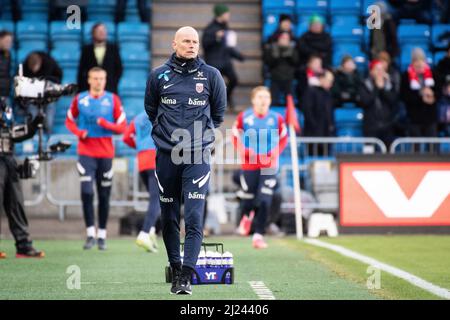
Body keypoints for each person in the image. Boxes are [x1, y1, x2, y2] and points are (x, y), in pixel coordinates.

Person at [145, 26, 226, 295]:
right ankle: (175, 266)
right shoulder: (157, 76)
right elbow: (151, 109)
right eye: (186, 41)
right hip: (166, 156)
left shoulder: (212, 76)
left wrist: (197, 139)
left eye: (195, 41)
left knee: (193, 217)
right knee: (169, 217)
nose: (192, 45)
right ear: (174, 44)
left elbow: (218, 114)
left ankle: (186, 276)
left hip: (197, 155)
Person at [66, 67, 127, 250]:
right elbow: (69, 120)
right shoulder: (80, 99)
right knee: (86, 192)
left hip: (106, 154)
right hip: (86, 153)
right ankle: (90, 233)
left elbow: (123, 126)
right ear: (89, 80)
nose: (99, 81)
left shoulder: (113, 100)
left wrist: (105, 123)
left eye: (102, 78)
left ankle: (102, 234)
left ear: (106, 80)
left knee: (104, 195)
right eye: (95, 78)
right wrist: (78, 132)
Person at [231, 86, 288, 249]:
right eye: (260, 97)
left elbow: (284, 138)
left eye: (267, 97)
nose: (263, 101)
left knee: (265, 199)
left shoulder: (276, 118)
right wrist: (244, 151)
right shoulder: (245, 117)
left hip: (269, 165)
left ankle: (258, 235)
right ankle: (246, 218)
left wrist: (274, 152)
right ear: (253, 100)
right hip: (249, 164)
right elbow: (235, 135)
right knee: (249, 199)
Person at [0, 98, 44, 259]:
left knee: (16, 202)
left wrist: (32, 127)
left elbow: (13, 133)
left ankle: (24, 245)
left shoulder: (5, 106)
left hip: (8, 157)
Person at [123, 111, 160, 253]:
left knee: (154, 198)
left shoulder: (138, 116)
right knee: (157, 199)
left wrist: (139, 145)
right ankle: (144, 233)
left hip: (142, 159)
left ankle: (151, 231)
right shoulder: (164, 112)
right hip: (156, 158)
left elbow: (127, 137)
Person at [202, 4, 244, 111]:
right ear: (220, 14)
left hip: (226, 61)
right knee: (215, 85)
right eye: (226, 13)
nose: (228, 15)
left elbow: (229, 46)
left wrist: (239, 56)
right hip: (214, 62)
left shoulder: (226, 27)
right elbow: (205, 45)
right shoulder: (210, 29)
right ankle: (215, 105)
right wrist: (216, 37)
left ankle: (227, 97)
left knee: (234, 80)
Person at [359, 60, 397, 147]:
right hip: (370, 125)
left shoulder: (390, 84)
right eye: (377, 69)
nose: (380, 72)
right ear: (371, 71)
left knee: (389, 154)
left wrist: (383, 89)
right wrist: (376, 88)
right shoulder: (364, 84)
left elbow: (393, 101)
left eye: (382, 69)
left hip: (387, 124)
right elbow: (366, 102)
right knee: (369, 153)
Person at [22, 52, 63, 134]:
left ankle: (48, 139)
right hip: (32, 95)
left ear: (40, 63)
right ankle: (32, 139)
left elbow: (59, 76)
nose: (34, 72)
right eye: (32, 70)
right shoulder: (25, 65)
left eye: (35, 69)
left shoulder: (49, 63)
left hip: (49, 94)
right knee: (32, 119)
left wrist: (48, 80)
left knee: (48, 121)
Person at [400, 48, 437, 137]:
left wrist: (433, 96)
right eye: (416, 60)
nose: (419, 63)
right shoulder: (406, 76)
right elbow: (404, 96)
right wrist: (420, 94)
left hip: (430, 117)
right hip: (414, 118)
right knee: (415, 147)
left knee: (432, 145)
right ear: (412, 62)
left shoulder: (433, 74)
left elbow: (438, 91)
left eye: (422, 60)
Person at [77, 23, 123, 93]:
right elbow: (81, 70)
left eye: (104, 30)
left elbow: (119, 69)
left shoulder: (113, 49)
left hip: (110, 88)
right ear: (93, 33)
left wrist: (113, 83)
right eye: (99, 31)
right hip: (90, 89)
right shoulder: (86, 50)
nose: (102, 32)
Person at [263, 31, 298, 105]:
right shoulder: (272, 49)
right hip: (275, 77)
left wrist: (288, 54)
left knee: (289, 98)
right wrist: (277, 55)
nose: (284, 40)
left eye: (286, 38)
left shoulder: (293, 50)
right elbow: (269, 63)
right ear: (278, 39)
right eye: (283, 38)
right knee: (273, 98)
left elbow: (296, 62)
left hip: (289, 77)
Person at [301, 70, 335, 143]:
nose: (331, 84)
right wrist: (314, 126)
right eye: (329, 81)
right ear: (321, 78)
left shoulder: (327, 93)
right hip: (313, 133)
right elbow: (307, 110)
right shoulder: (310, 91)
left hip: (325, 132)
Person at [0, 30, 13, 100]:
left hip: (5, 92)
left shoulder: (8, 54)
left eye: (10, 42)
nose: (9, 44)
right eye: (7, 41)